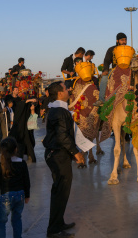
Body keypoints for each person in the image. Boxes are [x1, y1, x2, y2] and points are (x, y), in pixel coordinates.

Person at [42, 81, 85, 238]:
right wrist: (76, 152)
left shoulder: (56, 109)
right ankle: (53, 230)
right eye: (66, 89)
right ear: (60, 93)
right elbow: (62, 136)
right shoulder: (60, 111)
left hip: (57, 154)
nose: (69, 90)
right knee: (61, 192)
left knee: (60, 191)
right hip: (58, 155)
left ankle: (58, 223)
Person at [0, 136, 31, 238]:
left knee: (1, 222)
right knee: (17, 218)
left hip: (6, 196)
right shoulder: (22, 163)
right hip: (20, 195)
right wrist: (27, 195)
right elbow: (26, 181)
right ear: (16, 149)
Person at [93, 33, 127, 106]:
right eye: (122, 40)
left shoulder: (128, 49)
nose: (124, 42)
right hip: (115, 69)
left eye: (125, 40)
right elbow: (107, 60)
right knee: (104, 78)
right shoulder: (111, 49)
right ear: (117, 40)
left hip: (127, 68)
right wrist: (105, 70)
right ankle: (101, 99)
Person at [9, 97, 38, 163]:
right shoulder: (18, 108)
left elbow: (33, 120)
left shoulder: (28, 110)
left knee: (28, 143)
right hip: (20, 131)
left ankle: (31, 157)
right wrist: (30, 100)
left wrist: (32, 110)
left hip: (27, 130)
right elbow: (21, 104)